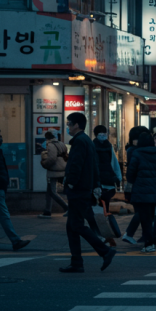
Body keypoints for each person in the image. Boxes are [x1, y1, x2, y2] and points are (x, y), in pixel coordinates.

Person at [59, 113, 117, 272]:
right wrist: (96, 184)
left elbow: (76, 164)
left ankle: (105, 251)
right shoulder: (87, 141)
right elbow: (94, 165)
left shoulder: (79, 141)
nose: (68, 127)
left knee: (76, 225)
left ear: (76, 125)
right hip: (85, 189)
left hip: (78, 190)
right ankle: (76, 262)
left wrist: (70, 182)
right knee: (71, 226)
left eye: (69, 124)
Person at [125, 131, 156, 253]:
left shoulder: (137, 153)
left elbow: (131, 173)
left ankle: (149, 244)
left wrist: (134, 182)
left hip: (141, 190)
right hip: (155, 190)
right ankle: (149, 243)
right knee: (150, 217)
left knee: (145, 218)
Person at [93, 125, 123, 242]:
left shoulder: (105, 146)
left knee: (102, 210)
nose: (102, 135)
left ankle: (103, 234)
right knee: (102, 210)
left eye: (104, 133)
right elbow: (114, 163)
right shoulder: (97, 146)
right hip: (102, 182)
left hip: (105, 182)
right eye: (100, 133)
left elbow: (113, 162)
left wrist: (118, 177)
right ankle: (104, 234)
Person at [38, 130, 69, 218]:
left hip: (53, 170)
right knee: (49, 191)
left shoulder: (51, 145)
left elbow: (51, 159)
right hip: (62, 169)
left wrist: (45, 164)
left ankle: (67, 207)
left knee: (52, 192)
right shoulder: (61, 144)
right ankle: (47, 211)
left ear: (47, 137)